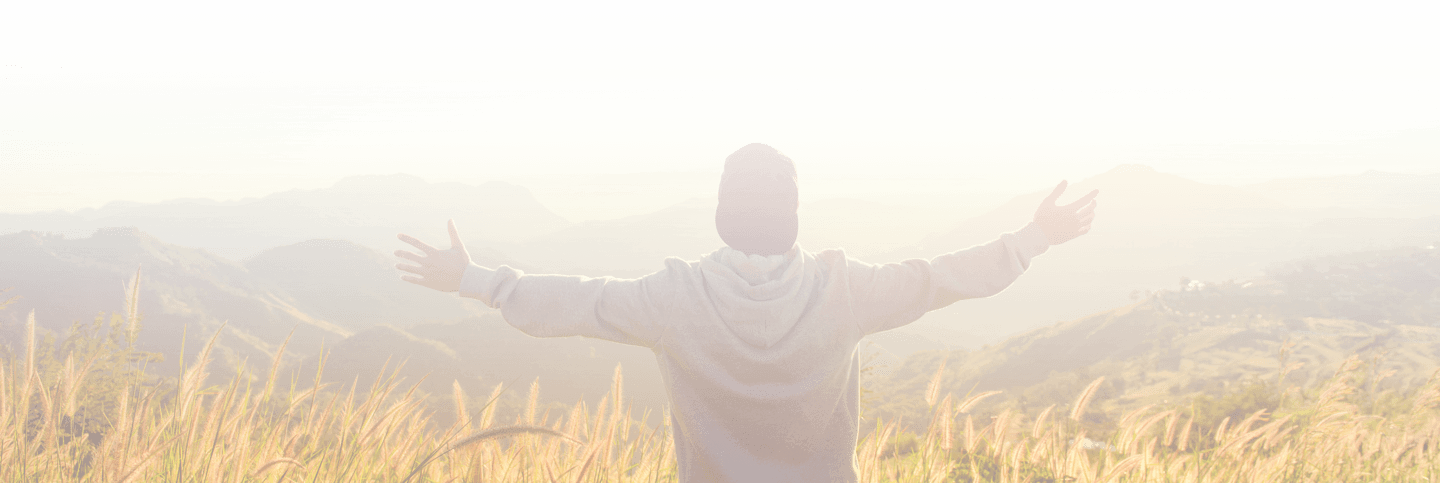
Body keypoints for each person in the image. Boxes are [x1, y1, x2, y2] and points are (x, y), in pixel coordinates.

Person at [394, 143, 1098, 482]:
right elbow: (942, 279)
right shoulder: (843, 289)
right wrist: (1033, 238)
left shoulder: (674, 297)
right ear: (794, 216)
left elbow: (580, 301)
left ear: (721, 215)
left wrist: (477, 280)